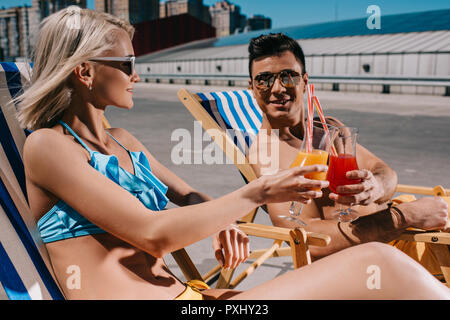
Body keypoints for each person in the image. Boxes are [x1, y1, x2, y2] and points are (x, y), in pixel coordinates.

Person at [17, 7, 449, 300]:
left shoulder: (125, 140)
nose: (137, 74)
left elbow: (187, 198)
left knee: (374, 280)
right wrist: (256, 193)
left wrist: (225, 220)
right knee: (378, 263)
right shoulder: (49, 147)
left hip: (194, 299)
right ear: (85, 71)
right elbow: (153, 234)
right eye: (127, 63)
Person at [247, 33, 449, 261]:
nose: (277, 88)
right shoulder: (267, 154)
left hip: (401, 226)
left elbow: (385, 171)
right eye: (263, 79)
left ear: (304, 82)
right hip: (381, 255)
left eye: (288, 76)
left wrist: (377, 186)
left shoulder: (328, 127)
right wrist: (403, 216)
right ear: (252, 88)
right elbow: (307, 239)